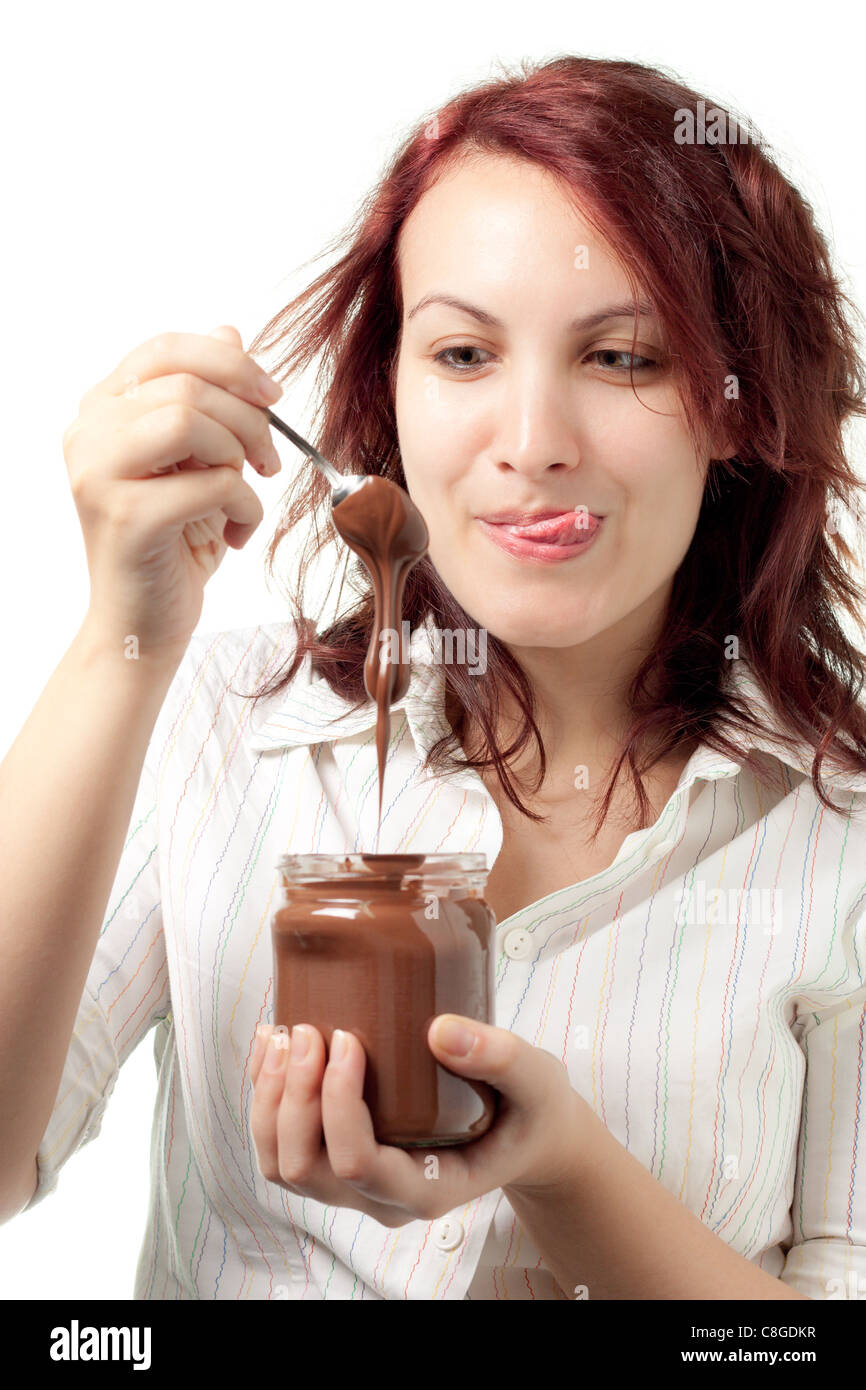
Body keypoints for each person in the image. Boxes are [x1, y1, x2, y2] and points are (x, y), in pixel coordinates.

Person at [2, 53, 865, 1301]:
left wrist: (561, 1170)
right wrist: (116, 644)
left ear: (730, 404)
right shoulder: (225, 726)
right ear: (391, 389)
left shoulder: (837, 831)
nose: (531, 443)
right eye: (463, 354)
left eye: (623, 357)